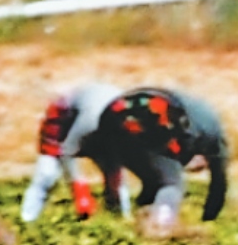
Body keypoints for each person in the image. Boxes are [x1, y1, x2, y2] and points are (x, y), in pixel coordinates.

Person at [96, 87, 229, 233]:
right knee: (171, 184)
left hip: (113, 112)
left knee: (151, 175)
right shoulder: (213, 142)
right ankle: (159, 229)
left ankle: (116, 212)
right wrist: (209, 217)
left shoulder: (202, 119)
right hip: (154, 117)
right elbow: (219, 182)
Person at [21, 82, 130, 223]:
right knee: (47, 175)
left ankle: (121, 220)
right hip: (65, 123)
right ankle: (28, 220)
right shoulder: (90, 122)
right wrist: (80, 190)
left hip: (98, 125)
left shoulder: (134, 125)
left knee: (116, 178)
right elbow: (67, 151)